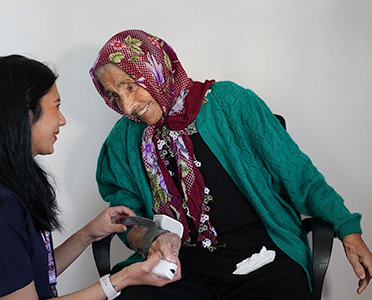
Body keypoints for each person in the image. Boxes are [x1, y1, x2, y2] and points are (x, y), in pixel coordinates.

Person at [89, 29, 372, 299]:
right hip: (181, 267)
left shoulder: (230, 104)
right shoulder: (124, 139)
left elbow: (298, 176)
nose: (126, 106)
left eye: (130, 86)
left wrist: (347, 229)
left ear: (155, 70)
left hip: (262, 256)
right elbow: (126, 214)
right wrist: (150, 239)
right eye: (114, 95)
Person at [0, 54, 180, 300]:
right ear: (26, 112)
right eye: (57, 105)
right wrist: (122, 279)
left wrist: (90, 233)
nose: (62, 120)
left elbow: (32, 275)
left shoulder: (7, 186)